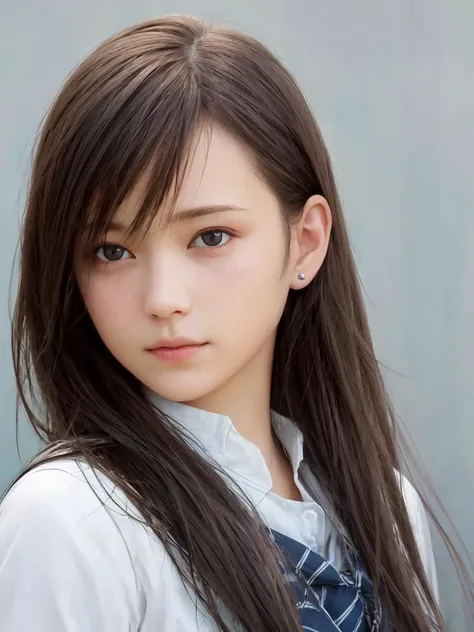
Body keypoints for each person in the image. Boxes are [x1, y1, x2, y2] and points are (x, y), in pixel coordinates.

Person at [0, 14, 467, 632]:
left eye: (210, 236)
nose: (163, 299)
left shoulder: (385, 511)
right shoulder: (75, 521)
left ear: (304, 242)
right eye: (112, 251)